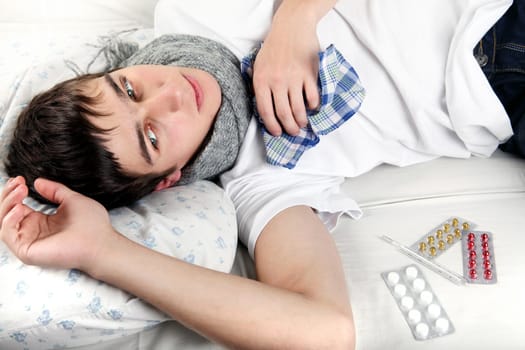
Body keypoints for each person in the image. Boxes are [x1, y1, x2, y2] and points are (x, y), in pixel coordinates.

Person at [1, 0, 523, 348]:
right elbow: (324, 332)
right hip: (506, 96)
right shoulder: (259, 180)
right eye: (154, 137)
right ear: (168, 180)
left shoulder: (192, 10)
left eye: (130, 89)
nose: (173, 95)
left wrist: (294, 21)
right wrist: (104, 252)